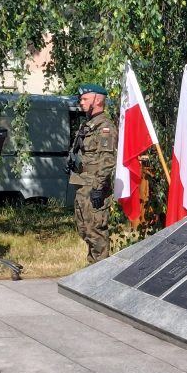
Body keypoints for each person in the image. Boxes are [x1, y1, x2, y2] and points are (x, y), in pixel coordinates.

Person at [67, 84, 116, 264]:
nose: (81, 103)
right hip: (83, 183)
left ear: (97, 100)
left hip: (95, 186)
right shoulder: (88, 125)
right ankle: (92, 269)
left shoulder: (105, 127)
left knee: (96, 232)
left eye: (84, 99)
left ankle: (100, 273)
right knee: (85, 229)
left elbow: (108, 160)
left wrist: (98, 187)